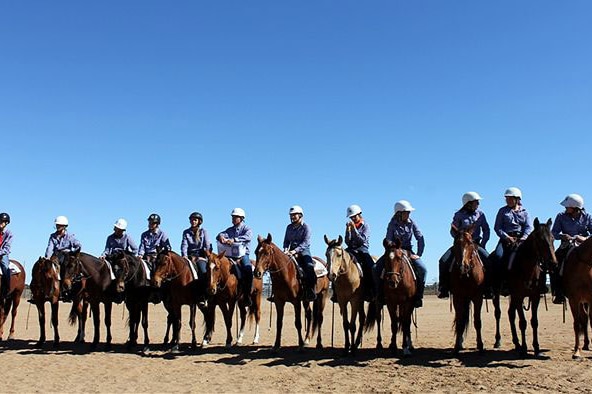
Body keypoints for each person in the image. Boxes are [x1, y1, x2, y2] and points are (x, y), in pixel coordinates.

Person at [373, 200, 427, 308]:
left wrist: (419, 254)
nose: (408, 214)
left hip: (408, 251)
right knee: (375, 268)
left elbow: (420, 237)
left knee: (423, 269)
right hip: (393, 250)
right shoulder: (392, 223)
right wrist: (391, 245)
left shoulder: (412, 223)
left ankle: (418, 296)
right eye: (406, 212)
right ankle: (379, 295)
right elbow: (388, 238)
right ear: (399, 213)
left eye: (408, 212)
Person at [438, 192, 490, 299]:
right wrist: (459, 237)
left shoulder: (480, 214)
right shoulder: (458, 215)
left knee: (489, 260)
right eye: (476, 202)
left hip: (476, 243)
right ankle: (444, 288)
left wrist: (484, 243)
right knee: (443, 260)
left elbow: (486, 229)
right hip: (461, 244)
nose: (478, 204)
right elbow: (453, 231)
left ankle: (489, 288)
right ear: (468, 203)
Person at [488, 187, 533, 295]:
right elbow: (497, 227)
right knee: (498, 256)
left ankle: (535, 283)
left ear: (517, 199)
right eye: (506, 198)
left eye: (510, 198)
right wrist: (506, 237)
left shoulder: (525, 212)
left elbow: (529, 227)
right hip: (505, 240)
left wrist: (524, 237)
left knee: (534, 257)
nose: (507, 200)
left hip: (521, 240)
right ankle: (501, 283)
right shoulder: (502, 211)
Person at [551, 193, 592, 304]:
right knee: (554, 263)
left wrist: (584, 238)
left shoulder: (587, 217)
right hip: (567, 245)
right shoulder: (560, 216)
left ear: (575, 208)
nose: (565, 208)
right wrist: (562, 236)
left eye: (567, 206)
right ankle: (558, 292)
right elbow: (553, 232)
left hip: (584, 245)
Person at [217, 208, 253, 306]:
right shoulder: (229, 230)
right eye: (232, 217)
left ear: (241, 218)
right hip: (230, 256)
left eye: (235, 217)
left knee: (248, 270)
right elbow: (221, 234)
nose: (233, 219)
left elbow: (248, 237)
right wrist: (220, 236)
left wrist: (234, 239)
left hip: (243, 255)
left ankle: (247, 295)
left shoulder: (247, 229)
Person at [282, 205, 317, 302]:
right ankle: (277, 293)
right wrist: (285, 249)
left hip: (303, 250)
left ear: (300, 215)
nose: (292, 217)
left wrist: (294, 251)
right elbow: (286, 241)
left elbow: (305, 243)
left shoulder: (306, 227)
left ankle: (310, 291)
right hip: (291, 251)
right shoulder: (289, 227)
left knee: (309, 268)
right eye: (291, 215)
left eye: (294, 215)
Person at [343, 204, 374, 301]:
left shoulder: (366, 226)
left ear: (359, 214)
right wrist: (348, 232)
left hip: (362, 249)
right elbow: (347, 242)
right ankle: (337, 292)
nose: (353, 219)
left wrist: (354, 230)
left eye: (354, 216)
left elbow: (362, 240)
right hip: (351, 249)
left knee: (371, 267)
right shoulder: (350, 225)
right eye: (351, 217)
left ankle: (371, 290)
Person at [181, 212, 211, 305]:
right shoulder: (186, 232)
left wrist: (204, 256)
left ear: (199, 222)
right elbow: (184, 245)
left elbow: (207, 246)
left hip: (201, 256)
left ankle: (204, 295)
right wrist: (184, 256)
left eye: (195, 220)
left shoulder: (204, 232)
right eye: (192, 219)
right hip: (189, 256)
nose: (193, 221)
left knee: (203, 271)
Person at [0, 213, 13, 300]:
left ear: (6, 223)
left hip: (2, 254)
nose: (1, 223)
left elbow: (7, 247)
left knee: (5, 267)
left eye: (3, 222)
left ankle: (8, 289)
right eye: (0, 221)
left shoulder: (9, 233)